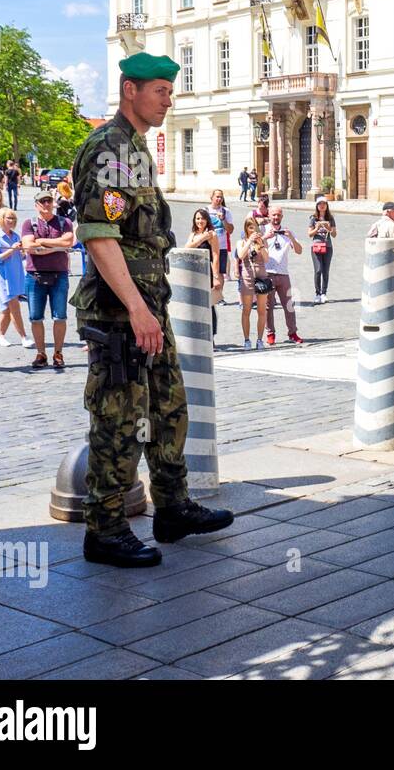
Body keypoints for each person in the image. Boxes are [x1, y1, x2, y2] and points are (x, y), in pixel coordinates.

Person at [70, 51, 234, 567]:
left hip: (148, 306)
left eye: (169, 89)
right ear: (129, 90)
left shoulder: (135, 148)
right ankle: (106, 528)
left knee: (168, 408)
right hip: (120, 314)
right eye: (159, 90)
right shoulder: (108, 149)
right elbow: (99, 236)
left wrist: (151, 309)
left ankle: (172, 507)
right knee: (119, 419)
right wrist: (139, 311)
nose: (168, 99)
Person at [21, 192, 75, 369]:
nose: (46, 204)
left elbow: (68, 241)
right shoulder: (29, 223)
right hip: (34, 276)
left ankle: (58, 352)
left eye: (49, 201)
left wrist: (43, 242)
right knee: (35, 317)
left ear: (53, 203)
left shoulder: (64, 222)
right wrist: (57, 246)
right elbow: (29, 246)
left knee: (60, 316)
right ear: (36, 204)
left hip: (59, 275)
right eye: (42, 201)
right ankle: (41, 353)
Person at [0, 208, 32, 348]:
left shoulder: (16, 236)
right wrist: (12, 249)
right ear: (2, 219)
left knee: (7, 308)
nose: (11, 221)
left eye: (13, 218)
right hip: (2, 275)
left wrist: (22, 252)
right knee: (14, 305)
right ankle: (24, 336)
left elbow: (21, 256)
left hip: (15, 273)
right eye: (8, 218)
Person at [262, 205, 303, 345]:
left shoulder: (287, 232)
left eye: (278, 215)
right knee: (268, 306)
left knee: (289, 305)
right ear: (269, 216)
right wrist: (265, 238)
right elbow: (254, 247)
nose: (276, 217)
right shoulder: (263, 230)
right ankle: (270, 333)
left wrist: (291, 237)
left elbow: (299, 250)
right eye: (273, 214)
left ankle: (293, 333)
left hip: (284, 273)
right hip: (268, 273)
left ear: (282, 216)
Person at [185, 208, 221, 340]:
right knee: (196, 304)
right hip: (194, 273)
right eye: (198, 218)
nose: (200, 221)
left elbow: (216, 257)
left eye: (202, 218)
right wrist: (202, 238)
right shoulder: (194, 233)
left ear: (207, 220)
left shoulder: (212, 235)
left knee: (209, 305)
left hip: (207, 273)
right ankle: (199, 333)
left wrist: (216, 277)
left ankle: (211, 335)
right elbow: (187, 248)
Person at [236, 216, 270, 349]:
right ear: (246, 229)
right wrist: (249, 241)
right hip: (247, 277)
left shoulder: (262, 241)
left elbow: (266, 259)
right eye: (250, 227)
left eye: (255, 227)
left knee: (262, 310)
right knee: (247, 310)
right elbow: (241, 255)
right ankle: (246, 340)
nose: (253, 230)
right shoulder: (241, 241)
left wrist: (260, 245)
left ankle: (260, 340)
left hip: (261, 275)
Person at [308, 196, 337, 303]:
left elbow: (334, 234)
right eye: (320, 204)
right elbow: (310, 234)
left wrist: (328, 228)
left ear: (326, 205)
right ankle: (317, 293)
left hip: (328, 246)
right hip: (316, 246)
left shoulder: (330, 218)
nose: (322, 206)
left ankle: (324, 293)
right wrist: (317, 227)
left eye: (324, 204)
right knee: (318, 270)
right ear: (317, 206)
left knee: (326, 271)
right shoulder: (313, 218)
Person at [205, 190, 231, 303]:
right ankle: (209, 296)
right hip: (208, 245)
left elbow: (230, 230)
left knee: (220, 272)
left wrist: (223, 219)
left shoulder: (226, 211)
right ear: (211, 197)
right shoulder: (205, 211)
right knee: (208, 271)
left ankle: (219, 297)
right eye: (217, 197)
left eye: (221, 197)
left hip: (222, 245)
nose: (219, 199)